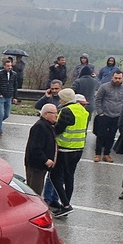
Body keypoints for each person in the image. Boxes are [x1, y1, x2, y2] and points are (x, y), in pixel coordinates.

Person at [50, 88, 89, 218]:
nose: (59, 100)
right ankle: (65, 205)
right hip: (78, 148)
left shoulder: (66, 111)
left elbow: (58, 129)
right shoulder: (82, 110)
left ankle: (66, 205)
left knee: (55, 177)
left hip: (65, 149)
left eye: (61, 98)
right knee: (69, 176)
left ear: (65, 99)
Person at [93, 70, 123, 163]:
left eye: (119, 78)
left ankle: (106, 154)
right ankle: (97, 154)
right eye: (116, 78)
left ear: (122, 78)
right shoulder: (104, 87)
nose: (117, 80)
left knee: (111, 136)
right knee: (101, 135)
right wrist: (100, 112)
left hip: (117, 116)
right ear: (112, 77)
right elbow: (97, 100)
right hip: (104, 115)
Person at [24, 104, 59, 195]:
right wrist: (46, 160)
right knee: (34, 192)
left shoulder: (48, 125)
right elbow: (35, 148)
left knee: (37, 190)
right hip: (36, 166)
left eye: (57, 113)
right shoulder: (40, 127)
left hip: (40, 166)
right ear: (46, 114)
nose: (56, 115)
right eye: (54, 113)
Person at [0, 58, 19, 134]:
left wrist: (15, 97)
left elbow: (15, 86)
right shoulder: (0, 74)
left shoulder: (14, 74)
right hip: (1, 97)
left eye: (10, 66)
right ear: (4, 66)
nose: (9, 67)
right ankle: (0, 129)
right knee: (1, 113)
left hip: (9, 96)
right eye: (8, 66)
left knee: (7, 114)